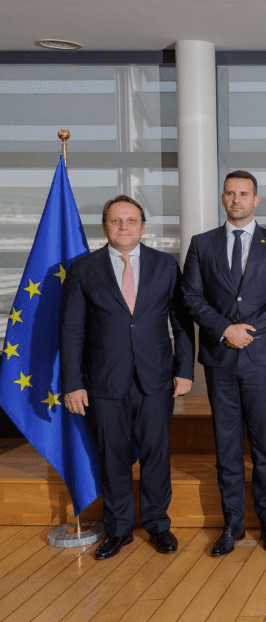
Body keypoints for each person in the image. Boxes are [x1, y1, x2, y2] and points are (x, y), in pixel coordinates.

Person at [60, 195, 194, 560]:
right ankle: (118, 529)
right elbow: (72, 331)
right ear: (105, 226)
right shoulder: (83, 270)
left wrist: (184, 370)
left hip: (156, 379)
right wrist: (73, 382)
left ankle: (157, 525)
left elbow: (181, 323)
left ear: (142, 226)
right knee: (112, 456)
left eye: (131, 220)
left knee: (156, 454)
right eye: (116, 221)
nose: (123, 227)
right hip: (104, 381)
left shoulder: (165, 265)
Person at [182, 170, 266, 557]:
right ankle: (232, 524)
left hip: (262, 358)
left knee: (265, 446)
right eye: (230, 193)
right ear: (222, 198)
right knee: (227, 446)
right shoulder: (202, 244)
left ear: (256, 200)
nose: (237, 200)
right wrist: (224, 330)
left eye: (244, 194)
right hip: (219, 360)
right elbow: (191, 298)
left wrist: (246, 330)